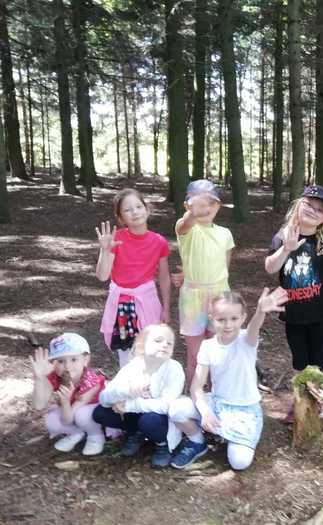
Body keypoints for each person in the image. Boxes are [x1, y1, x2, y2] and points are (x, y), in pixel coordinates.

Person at [168, 288, 288, 470]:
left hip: (245, 410)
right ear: (211, 318)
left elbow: (254, 327)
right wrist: (205, 411)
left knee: (239, 462)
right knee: (176, 409)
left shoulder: (247, 340)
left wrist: (260, 312)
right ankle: (197, 441)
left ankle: (231, 435)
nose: (228, 325)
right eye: (221, 319)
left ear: (243, 318)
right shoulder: (207, 346)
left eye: (234, 319)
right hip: (218, 404)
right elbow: (196, 387)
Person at [264, 185, 323, 420]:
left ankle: (320, 402)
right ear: (298, 205)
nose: (313, 211)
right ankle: (300, 402)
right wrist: (285, 249)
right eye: (309, 204)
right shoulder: (283, 236)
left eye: (320, 209)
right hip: (294, 312)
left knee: (319, 359)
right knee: (299, 360)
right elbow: (270, 268)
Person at [96, 188, 171, 368]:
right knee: (127, 356)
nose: (135, 212)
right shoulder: (116, 239)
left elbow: (164, 277)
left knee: (152, 351)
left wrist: (167, 308)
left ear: (147, 209)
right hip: (122, 306)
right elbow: (102, 275)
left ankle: (151, 385)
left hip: (148, 302)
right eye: (127, 210)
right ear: (121, 218)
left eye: (138, 206)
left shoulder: (159, 242)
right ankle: (129, 385)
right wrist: (105, 250)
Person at [92, 324, 185, 468]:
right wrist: (126, 391)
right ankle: (136, 432)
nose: (165, 345)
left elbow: (166, 405)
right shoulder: (133, 367)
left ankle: (163, 443)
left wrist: (129, 405)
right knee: (100, 412)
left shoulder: (174, 369)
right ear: (142, 345)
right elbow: (104, 399)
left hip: (162, 420)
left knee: (150, 420)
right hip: (137, 415)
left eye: (169, 343)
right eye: (158, 340)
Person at [176, 179, 234, 385]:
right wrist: (194, 212)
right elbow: (185, 225)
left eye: (211, 203)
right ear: (187, 206)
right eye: (199, 203)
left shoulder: (225, 233)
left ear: (218, 205)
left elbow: (224, 266)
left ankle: (217, 393)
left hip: (219, 295)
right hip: (193, 298)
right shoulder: (188, 228)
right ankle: (194, 394)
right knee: (197, 355)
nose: (206, 208)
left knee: (217, 351)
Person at [30, 333, 106, 455]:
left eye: (74, 359)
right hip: (69, 412)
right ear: (53, 363)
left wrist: (65, 402)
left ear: (85, 360)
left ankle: (95, 436)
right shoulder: (55, 377)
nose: (67, 366)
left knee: (82, 415)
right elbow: (39, 405)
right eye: (61, 361)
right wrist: (40, 378)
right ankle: (76, 433)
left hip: (93, 413)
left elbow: (69, 418)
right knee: (51, 420)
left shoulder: (91, 381)